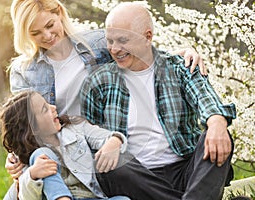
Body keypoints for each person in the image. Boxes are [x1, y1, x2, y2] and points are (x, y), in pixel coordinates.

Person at [6, 0, 207, 180]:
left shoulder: (98, 43)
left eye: (50, 25)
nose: (47, 36)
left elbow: (143, 54)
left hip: (105, 140)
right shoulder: (24, 71)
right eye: (36, 33)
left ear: (59, 13)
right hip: (64, 150)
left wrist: (184, 53)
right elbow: (23, 123)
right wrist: (14, 155)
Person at [80, 2, 236, 200]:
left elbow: (207, 101)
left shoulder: (179, 68)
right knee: (110, 162)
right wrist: (107, 141)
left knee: (218, 132)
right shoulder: (98, 81)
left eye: (122, 40)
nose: (114, 48)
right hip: (135, 177)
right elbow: (85, 131)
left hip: (185, 172)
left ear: (147, 37)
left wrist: (216, 123)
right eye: (110, 41)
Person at [0, 91, 130, 200]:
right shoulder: (28, 156)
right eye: (45, 109)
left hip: (89, 197)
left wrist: (115, 140)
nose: (53, 108)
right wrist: (32, 174)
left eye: (48, 103)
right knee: (42, 155)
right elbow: (25, 197)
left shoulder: (75, 128)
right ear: (32, 128)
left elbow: (105, 136)